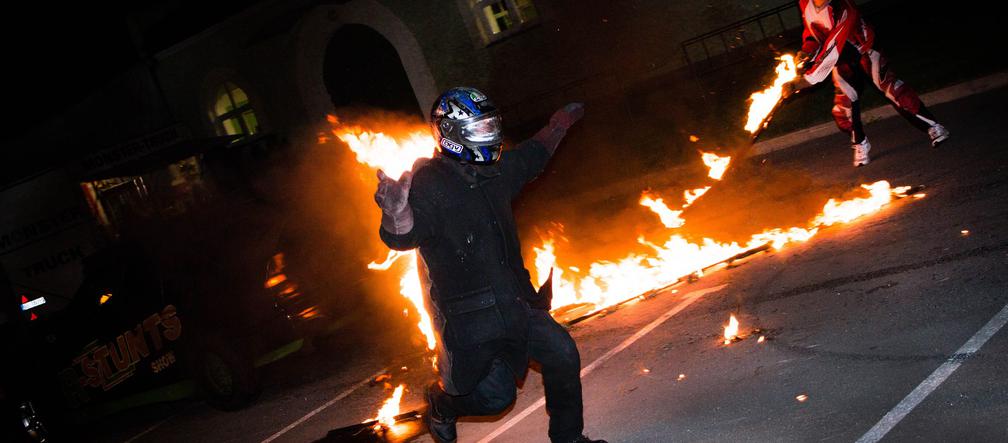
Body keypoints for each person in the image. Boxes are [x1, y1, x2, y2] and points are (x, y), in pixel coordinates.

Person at [373, 87, 605, 443]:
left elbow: (532, 155)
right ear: (452, 134)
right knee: (495, 399)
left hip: (516, 302)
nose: (492, 135)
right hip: (472, 319)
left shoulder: (492, 173)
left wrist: (558, 125)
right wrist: (397, 213)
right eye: (482, 130)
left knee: (562, 353)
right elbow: (405, 235)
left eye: (492, 127)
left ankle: (568, 438)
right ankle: (440, 405)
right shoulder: (429, 182)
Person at [785, 0, 950, 167]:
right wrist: (807, 50)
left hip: (865, 50)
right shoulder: (805, 2)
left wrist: (804, 80)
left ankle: (934, 127)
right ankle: (861, 143)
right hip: (842, 60)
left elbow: (833, 45)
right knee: (842, 109)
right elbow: (813, 31)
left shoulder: (842, 7)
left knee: (892, 89)